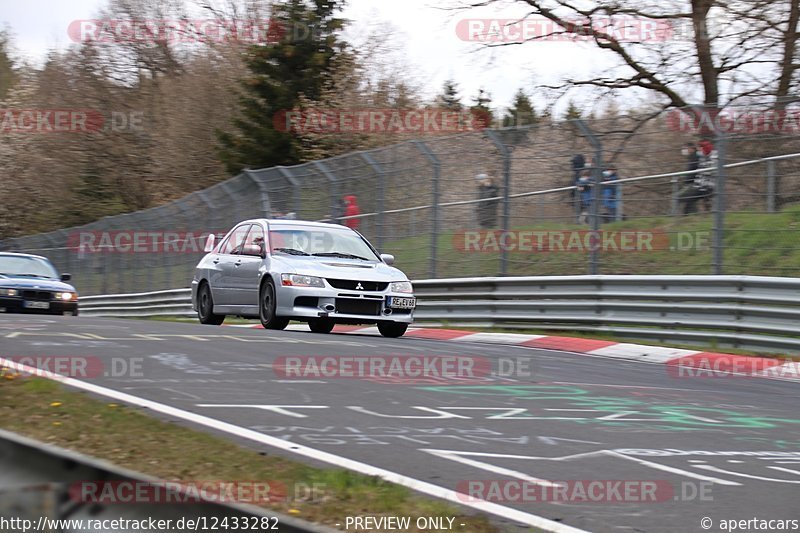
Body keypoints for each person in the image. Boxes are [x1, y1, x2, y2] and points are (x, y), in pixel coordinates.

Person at [679, 142, 701, 215]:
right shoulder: (692, 157)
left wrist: (687, 179)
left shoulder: (695, 157)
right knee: (690, 202)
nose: (684, 150)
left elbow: (693, 171)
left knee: (677, 197)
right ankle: (692, 217)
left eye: (685, 148)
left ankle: (673, 216)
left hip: (692, 183)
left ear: (691, 149)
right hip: (691, 183)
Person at [696, 139, 717, 212]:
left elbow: (712, 170)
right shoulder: (701, 156)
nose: (699, 149)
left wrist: (703, 170)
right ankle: (707, 212)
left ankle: (710, 213)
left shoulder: (714, 156)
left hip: (710, 183)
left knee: (709, 199)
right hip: (702, 182)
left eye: (700, 147)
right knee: (706, 199)